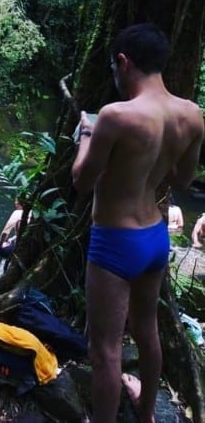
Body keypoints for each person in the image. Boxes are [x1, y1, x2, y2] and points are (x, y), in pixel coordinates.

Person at [71, 23, 203, 423]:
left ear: (124, 62)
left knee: (105, 348)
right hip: (154, 237)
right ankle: (146, 416)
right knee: (147, 332)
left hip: (114, 241)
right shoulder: (191, 114)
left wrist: (86, 135)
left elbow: (81, 181)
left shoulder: (115, 116)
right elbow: (181, 181)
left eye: (114, 66)